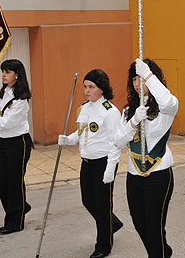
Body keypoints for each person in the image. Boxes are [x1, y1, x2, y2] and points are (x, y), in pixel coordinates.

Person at [114, 58, 178, 258]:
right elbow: (118, 141)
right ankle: (162, 252)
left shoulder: (166, 107)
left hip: (158, 173)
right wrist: (134, 120)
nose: (137, 83)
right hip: (134, 174)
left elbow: (167, 101)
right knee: (139, 223)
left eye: (140, 78)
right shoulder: (128, 110)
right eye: (134, 79)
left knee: (154, 226)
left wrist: (148, 75)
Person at [58, 69, 123, 258]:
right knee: (88, 200)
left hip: (103, 163)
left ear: (102, 88)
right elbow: (82, 132)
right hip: (86, 162)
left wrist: (110, 169)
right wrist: (68, 139)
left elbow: (115, 143)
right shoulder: (85, 108)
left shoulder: (110, 112)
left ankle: (103, 245)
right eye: (85, 87)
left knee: (102, 206)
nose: (87, 91)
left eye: (91, 87)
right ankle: (112, 224)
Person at [0, 59, 33, 235]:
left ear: (17, 74)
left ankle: (15, 222)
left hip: (17, 143)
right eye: (3, 71)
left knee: (14, 183)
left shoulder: (22, 99)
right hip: (1, 143)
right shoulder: (4, 92)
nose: (4, 75)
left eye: (8, 72)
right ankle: (21, 207)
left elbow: (6, 122)